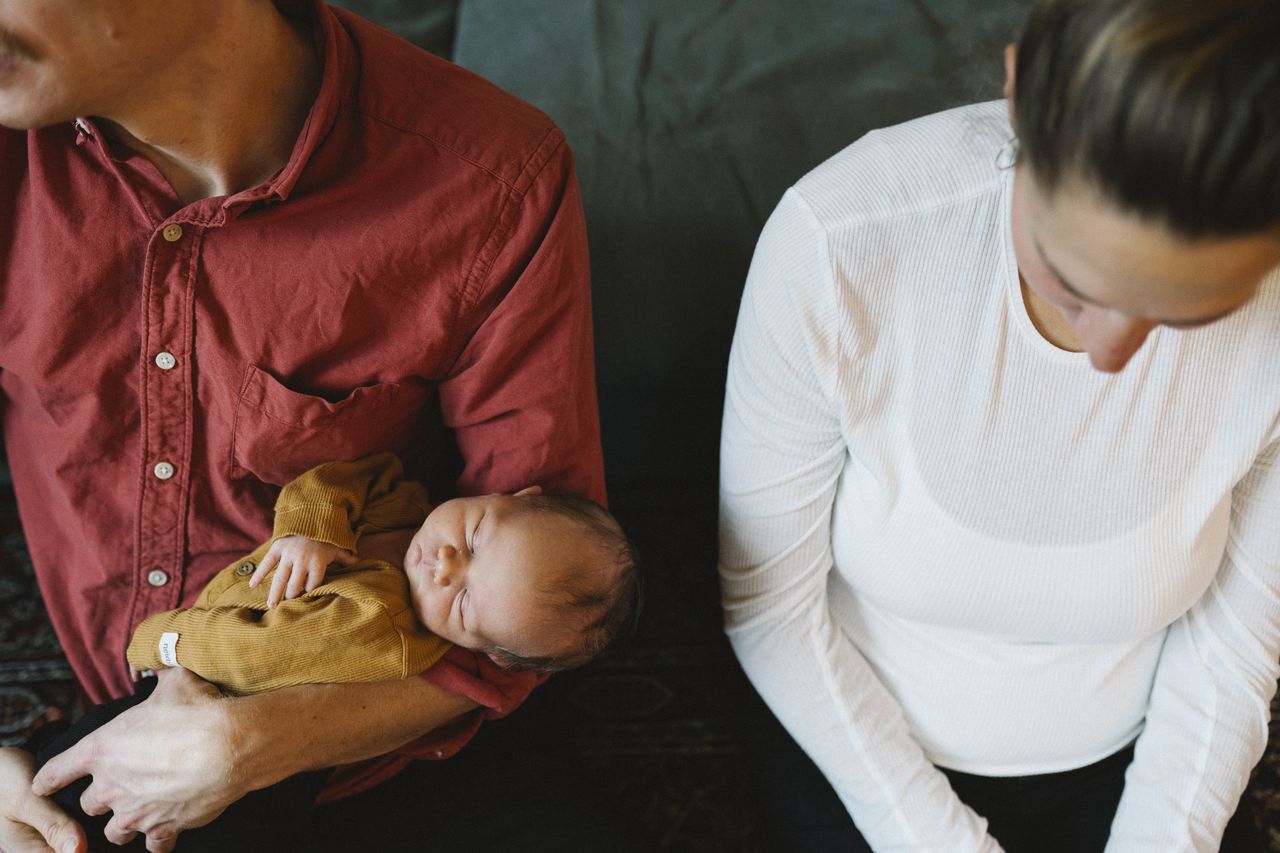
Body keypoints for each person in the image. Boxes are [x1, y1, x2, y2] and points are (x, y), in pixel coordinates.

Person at [0, 1, 616, 851]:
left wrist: (257, 741)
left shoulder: (495, 181)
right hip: (113, 743)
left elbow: (537, 589)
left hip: (401, 735)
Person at [719, 0, 1280, 851]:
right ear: (1019, 96)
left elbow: (1232, 649)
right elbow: (772, 609)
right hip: (856, 734)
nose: (1109, 357)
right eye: (1070, 281)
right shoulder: (839, 243)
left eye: (1186, 313)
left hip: (1139, 752)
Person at [33, 452, 640, 850]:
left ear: (493, 654)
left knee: (87, 791)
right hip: (191, 672)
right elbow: (345, 479)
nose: (446, 565)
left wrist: (162, 644)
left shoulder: (383, 633)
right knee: (59, 788)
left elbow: (251, 654)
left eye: (462, 605)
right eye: (477, 537)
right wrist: (316, 530)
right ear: (518, 493)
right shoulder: (405, 505)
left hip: (206, 700)